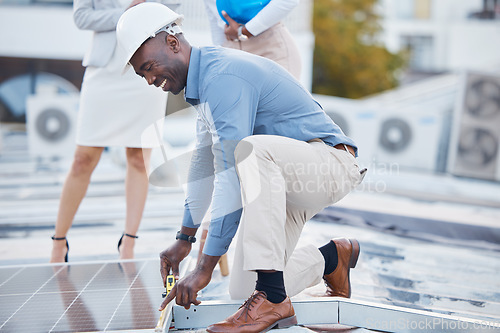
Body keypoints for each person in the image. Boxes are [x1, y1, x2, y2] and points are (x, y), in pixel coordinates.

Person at [116, 3, 365, 332]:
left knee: (249, 152)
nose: (149, 79)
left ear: (172, 43)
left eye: (149, 66)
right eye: (142, 74)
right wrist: (184, 239)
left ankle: (275, 301)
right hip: (285, 178)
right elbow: (203, 166)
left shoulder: (222, 76)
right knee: (243, 292)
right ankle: (333, 258)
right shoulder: (202, 87)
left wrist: (205, 266)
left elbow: (233, 173)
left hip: (329, 163)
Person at [49, 0, 169, 263]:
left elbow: (172, 7)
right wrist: (128, 14)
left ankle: (128, 243)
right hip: (104, 70)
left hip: (147, 66)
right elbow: (82, 17)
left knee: (139, 159)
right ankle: (58, 242)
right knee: (83, 159)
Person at [203, 0, 302, 80]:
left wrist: (246, 30)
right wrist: (219, 54)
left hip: (270, 49)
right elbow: (213, 16)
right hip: (231, 52)